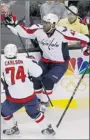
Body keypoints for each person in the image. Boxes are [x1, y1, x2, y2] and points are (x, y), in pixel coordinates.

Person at [6, 13, 90, 112]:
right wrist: (14, 24)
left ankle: (44, 102)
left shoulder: (63, 32)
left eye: (47, 23)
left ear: (54, 24)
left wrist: (86, 47)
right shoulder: (38, 30)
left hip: (60, 64)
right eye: (44, 22)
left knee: (48, 81)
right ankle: (37, 101)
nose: (44, 25)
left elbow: (83, 38)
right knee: (36, 79)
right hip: (45, 61)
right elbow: (24, 32)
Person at [1, 44, 57, 136]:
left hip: (14, 98)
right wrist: (33, 62)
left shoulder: (2, 62)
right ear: (16, 52)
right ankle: (48, 128)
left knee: (4, 112)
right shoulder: (25, 60)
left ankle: (13, 128)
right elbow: (38, 72)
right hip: (30, 95)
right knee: (34, 113)